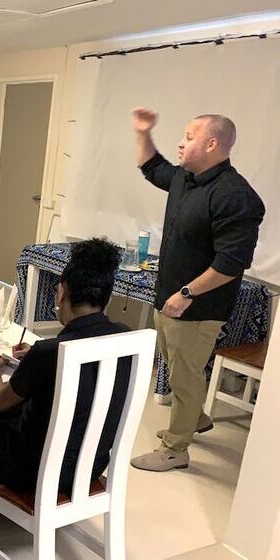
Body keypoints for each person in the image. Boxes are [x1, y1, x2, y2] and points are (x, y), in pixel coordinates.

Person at [129, 108, 264, 472]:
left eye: (188, 137)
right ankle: (195, 418)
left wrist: (187, 294)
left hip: (197, 308)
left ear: (211, 143)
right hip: (169, 298)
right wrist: (143, 132)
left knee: (184, 376)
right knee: (176, 366)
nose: (180, 143)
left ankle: (175, 450)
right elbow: (151, 167)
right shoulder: (185, 178)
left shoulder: (236, 196)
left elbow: (232, 263)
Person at [0, 238, 131, 493]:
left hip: (39, 471)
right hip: (92, 467)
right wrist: (34, 357)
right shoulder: (123, 337)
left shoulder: (49, 352)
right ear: (106, 300)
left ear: (61, 292)